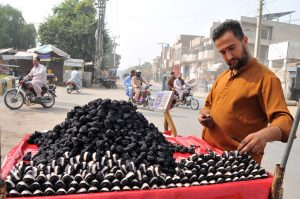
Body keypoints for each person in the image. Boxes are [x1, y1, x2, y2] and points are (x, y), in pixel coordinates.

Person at [198, 20, 293, 163]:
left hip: (238, 163)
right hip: (208, 154)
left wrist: (264, 135)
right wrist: (204, 116)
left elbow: (284, 120)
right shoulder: (222, 77)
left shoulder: (266, 78)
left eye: (232, 48)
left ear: (245, 41)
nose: (228, 56)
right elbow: (208, 106)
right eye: (223, 52)